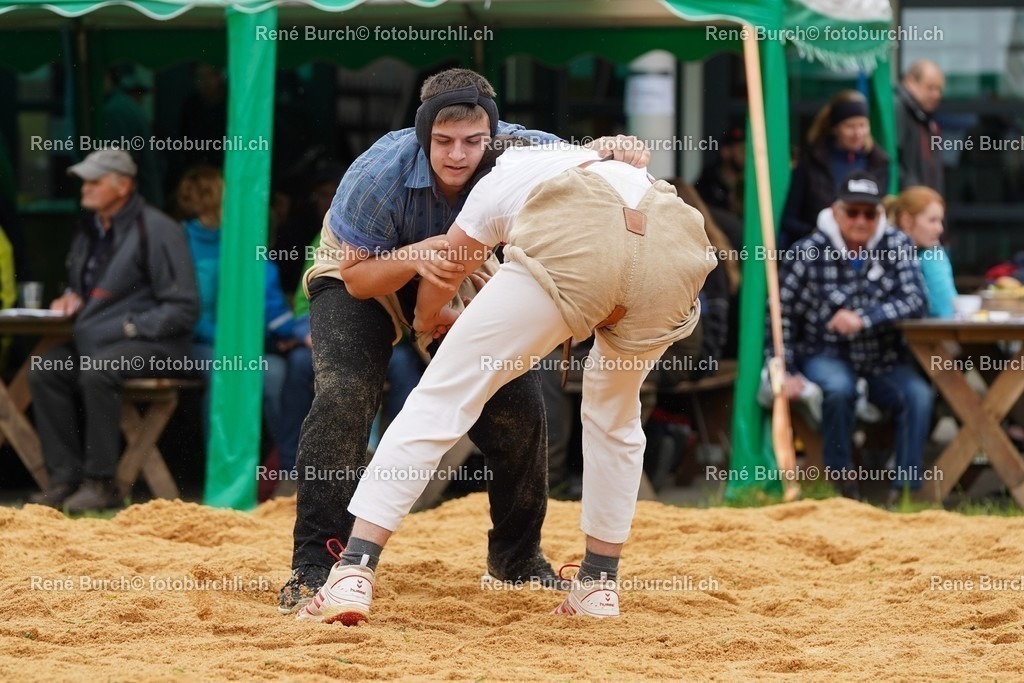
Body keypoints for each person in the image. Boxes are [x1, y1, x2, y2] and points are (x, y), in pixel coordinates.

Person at [296, 137, 715, 624]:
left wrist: (432, 319)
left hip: (580, 243)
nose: (459, 159)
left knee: (443, 396)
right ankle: (598, 584)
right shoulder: (563, 159)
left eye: (472, 146)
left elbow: (447, 270)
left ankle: (353, 570)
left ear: (492, 156)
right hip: (672, 249)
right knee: (616, 418)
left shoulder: (497, 177)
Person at [27, 150, 199, 512]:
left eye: (94, 181)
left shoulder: (158, 229)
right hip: (99, 342)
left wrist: (131, 325)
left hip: (157, 346)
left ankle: (102, 482)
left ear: (123, 186)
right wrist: (73, 297)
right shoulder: (90, 229)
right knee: (44, 370)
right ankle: (65, 479)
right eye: (84, 181)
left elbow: (184, 308)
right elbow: (92, 291)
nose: (84, 189)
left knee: (98, 370)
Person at [777, 171, 933, 504]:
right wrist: (785, 370)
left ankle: (905, 492)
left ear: (881, 214)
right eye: (853, 212)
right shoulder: (807, 250)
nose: (861, 220)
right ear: (835, 211)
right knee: (838, 389)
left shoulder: (897, 244)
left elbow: (918, 301)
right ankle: (841, 485)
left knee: (918, 395)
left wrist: (863, 319)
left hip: (882, 357)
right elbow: (780, 315)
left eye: (870, 213)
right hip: (826, 352)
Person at [177, 166, 303, 449]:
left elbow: (266, 301)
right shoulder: (178, 241)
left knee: (275, 376)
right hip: (204, 344)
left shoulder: (241, 240)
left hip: (250, 347)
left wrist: (286, 332)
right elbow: (185, 312)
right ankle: (221, 470)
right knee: (227, 377)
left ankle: (284, 468)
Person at [781, 90, 890, 249]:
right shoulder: (811, 163)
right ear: (835, 128)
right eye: (849, 126)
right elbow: (789, 220)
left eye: (862, 125)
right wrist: (818, 234)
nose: (857, 133)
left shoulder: (878, 162)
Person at [886, 186, 954, 318]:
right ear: (906, 220)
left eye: (941, 221)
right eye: (932, 220)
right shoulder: (886, 254)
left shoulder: (930, 253)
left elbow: (946, 309)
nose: (940, 229)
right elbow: (943, 309)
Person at [896, 59, 945, 193]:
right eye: (930, 87)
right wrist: (916, 194)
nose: (936, 95)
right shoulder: (898, 109)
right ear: (909, 81)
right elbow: (892, 160)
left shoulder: (925, 118)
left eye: (939, 89)